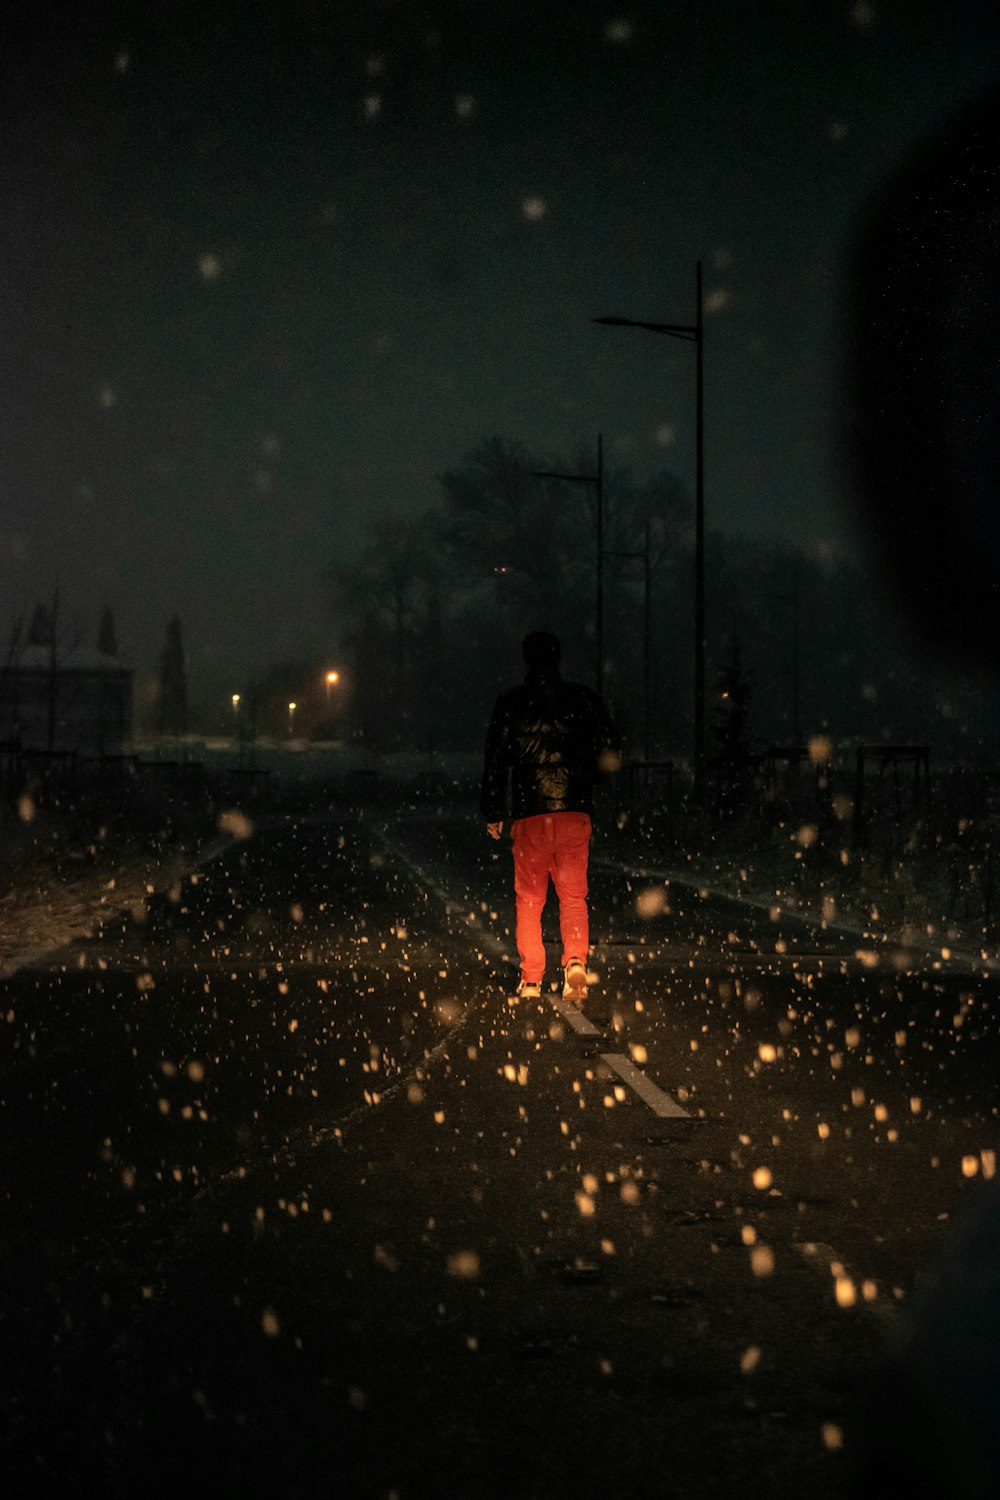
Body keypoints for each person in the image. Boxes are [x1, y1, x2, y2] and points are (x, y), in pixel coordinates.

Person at [480, 630, 621, 1002]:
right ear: (558, 658)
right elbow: (610, 745)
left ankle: (531, 979)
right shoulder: (584, 699)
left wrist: (494, 811)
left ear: (527, 660)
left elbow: (495, 760)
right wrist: (590, 781)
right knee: (573, 895)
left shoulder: (511, 703)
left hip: (530, 814)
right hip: (574, 812)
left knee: (529, 899)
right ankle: (575, 961)